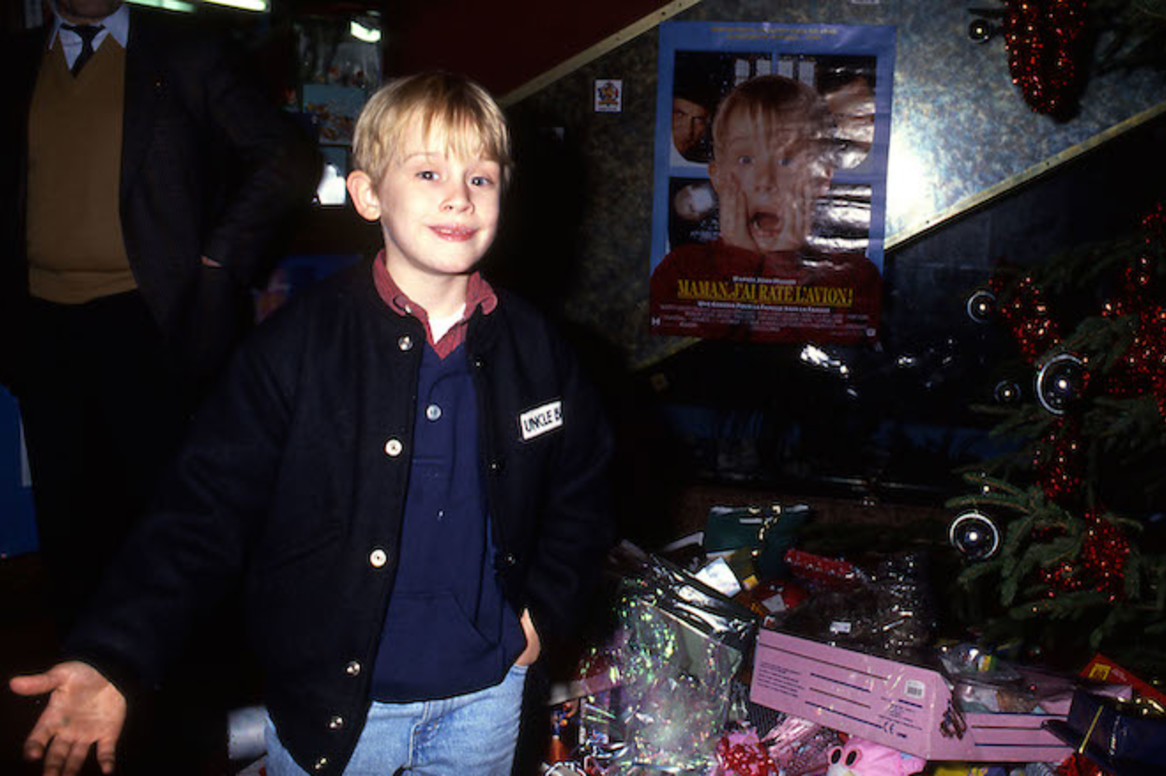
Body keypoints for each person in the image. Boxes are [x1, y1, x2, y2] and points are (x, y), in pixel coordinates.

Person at [10, 71, 614, 776]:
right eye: (427, 172)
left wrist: (543, 613)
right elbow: (202, 509)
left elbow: (584, 490)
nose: (458, 195)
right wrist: (115, 652)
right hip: (338, 710)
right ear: (366, 195)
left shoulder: (539, 351)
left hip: (486, 696)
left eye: (481, 178)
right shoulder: (294, 349)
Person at [0, 0, 321, 635]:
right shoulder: (14, 60)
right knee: (66, 523)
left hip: (149, 321)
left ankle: (166, 685)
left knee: (161, 519)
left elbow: (284, 159)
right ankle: (84, 675)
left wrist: (216, 259)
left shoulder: (185, 48)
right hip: (41, 325)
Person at [650, 74, 882, 344]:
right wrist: (738, 257)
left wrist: (784, 264)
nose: (765, 180)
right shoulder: (681, 270)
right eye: (746, 159)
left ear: (821, 177)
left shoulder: (853, 278)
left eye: (787, 160)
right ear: (718, 175)